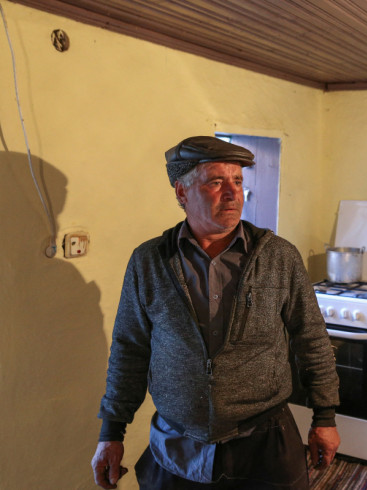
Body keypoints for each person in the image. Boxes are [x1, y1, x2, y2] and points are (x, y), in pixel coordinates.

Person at [91, 136, 340, 489]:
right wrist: (111, 431)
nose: (233, 193)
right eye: (216, 181)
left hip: (265, 439)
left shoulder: (278, 257)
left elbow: (311, 337)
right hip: (177, 443)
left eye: (238, 181)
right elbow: (129, 348)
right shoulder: (149, 262)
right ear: (182, 193)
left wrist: (325, 416)